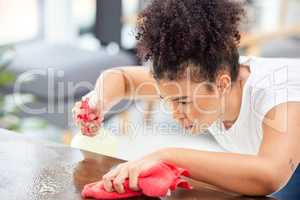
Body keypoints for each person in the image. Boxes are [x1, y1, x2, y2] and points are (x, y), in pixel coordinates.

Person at [72, 0, 300, 196]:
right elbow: (121, 79)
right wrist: (98, 101)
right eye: (166, 99)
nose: (174, 111)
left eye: (182, 101)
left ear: (221, 84)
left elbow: (270, 174)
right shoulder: (193, 79)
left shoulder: (280, 94)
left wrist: (167, 156)